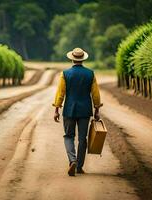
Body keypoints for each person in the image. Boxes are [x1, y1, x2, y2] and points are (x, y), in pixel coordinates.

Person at [52, 47, 102, 176]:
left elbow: (60, 93)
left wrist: (57, 109)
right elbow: (95, 94)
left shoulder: (65, 74)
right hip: (85, 110)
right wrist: (97, 109)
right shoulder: (90, 74)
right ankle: (79, 166)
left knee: (69, 136)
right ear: (82, 59)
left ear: (72, 59)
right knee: (82, 139)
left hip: (69, 110)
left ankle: (72, 160)